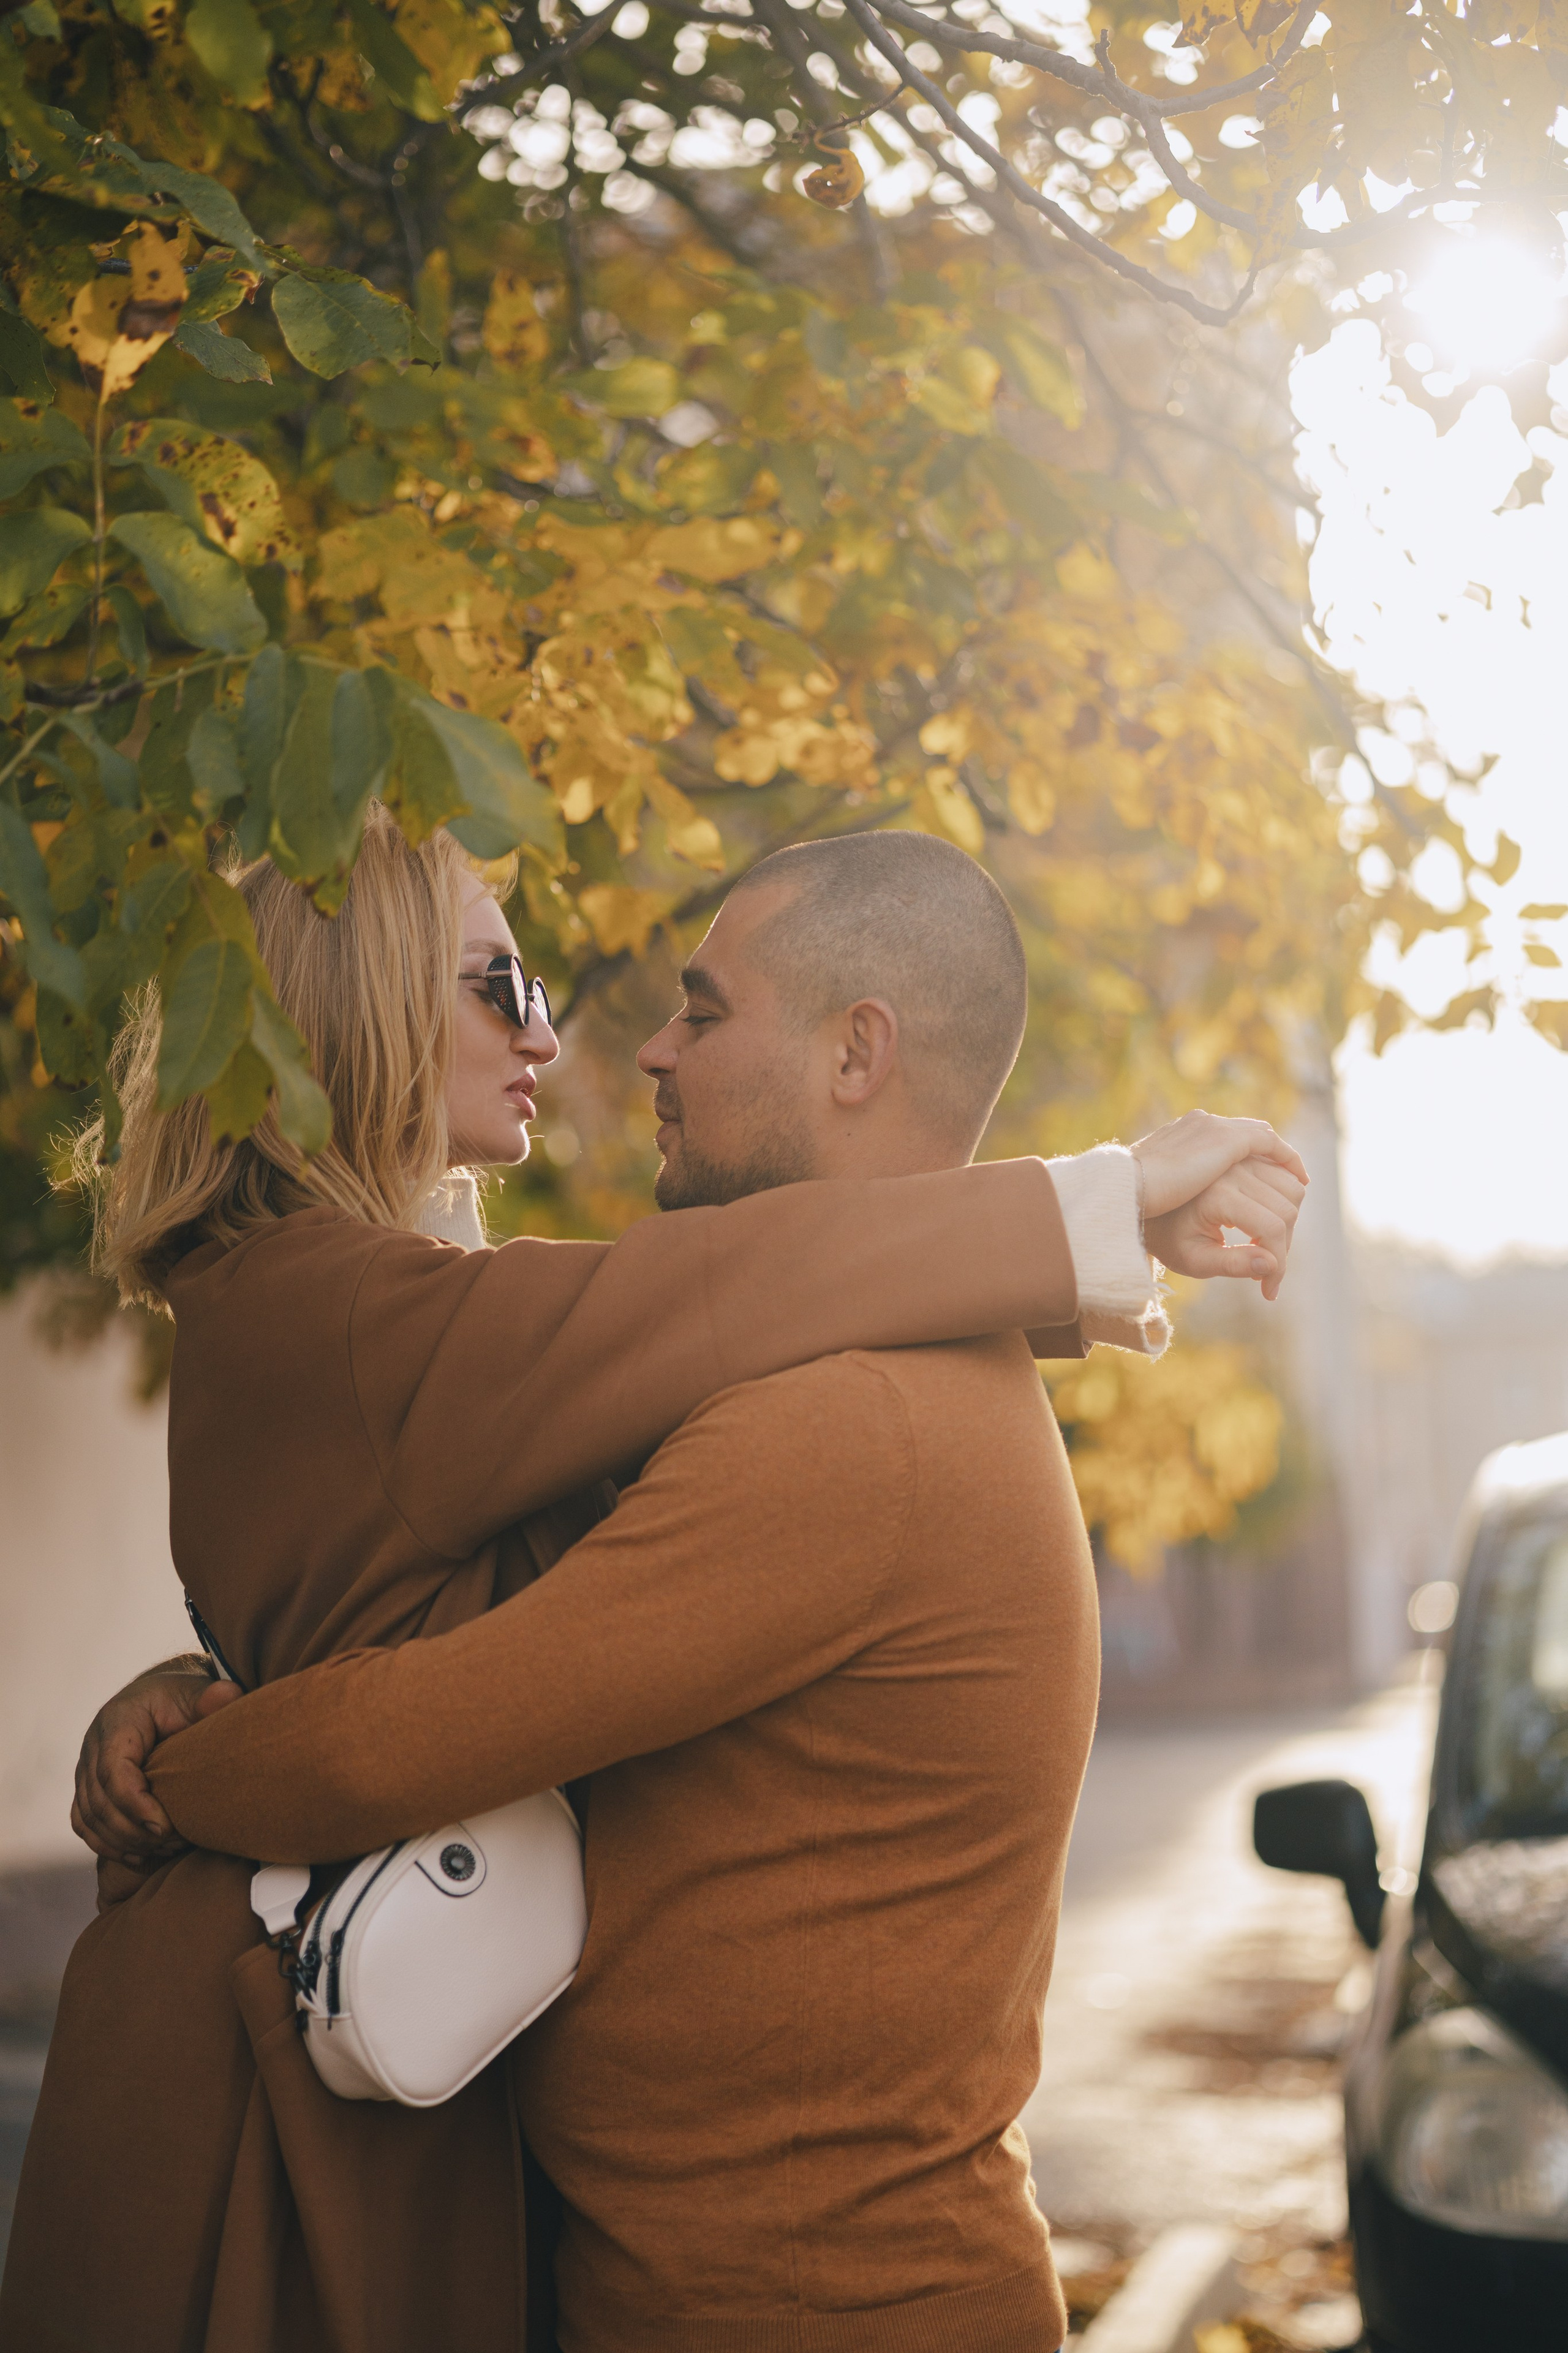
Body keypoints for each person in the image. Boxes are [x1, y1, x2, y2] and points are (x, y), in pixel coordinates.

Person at [54, 828, 1306, 2353]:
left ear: (858, 1053)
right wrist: (1088, 1221)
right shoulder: (364, 1311)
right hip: (338, 2101)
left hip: (791, 2303)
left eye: (699, 1012)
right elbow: (696, 1314)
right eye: (499, 981)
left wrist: (178, 1748)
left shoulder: (851, 1419)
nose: (601, 1040)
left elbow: (425, 1705)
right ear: (360, 1010)